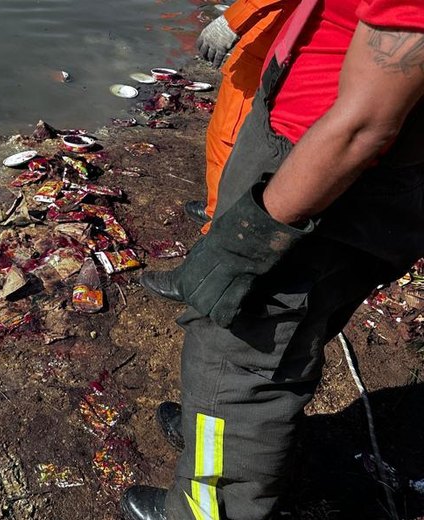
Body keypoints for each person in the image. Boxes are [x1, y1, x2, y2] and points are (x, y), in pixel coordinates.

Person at [124, 0, 424, 518]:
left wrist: (249, 239)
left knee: (239, 345)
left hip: (321, 171)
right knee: (285, 339)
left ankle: (208, 504)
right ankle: (214, 429)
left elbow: (364, 125)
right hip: (330, 158)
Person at [187, 0, 297, 230]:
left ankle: (218, 222)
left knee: (228, 135)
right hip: (303, 39)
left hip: (274, 38)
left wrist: (230, 22)